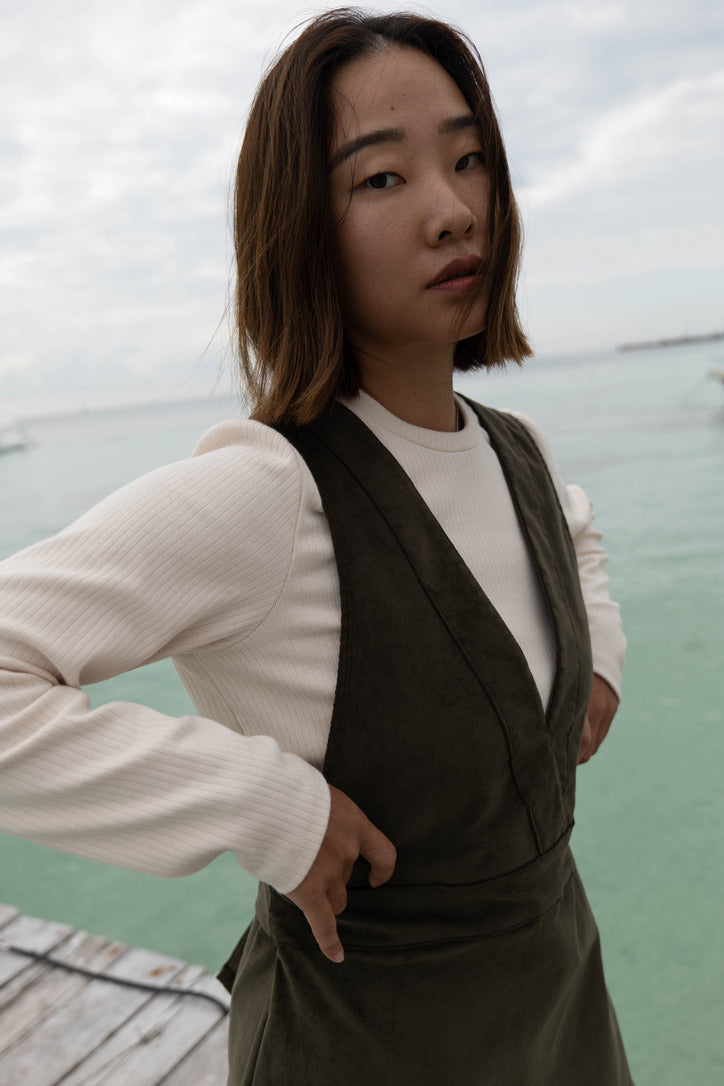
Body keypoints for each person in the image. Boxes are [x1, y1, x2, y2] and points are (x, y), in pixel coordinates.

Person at [0, 9, 633, 1084]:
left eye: (468, 158)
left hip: (560, 1011)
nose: (453, 209)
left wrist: (598, 654)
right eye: (381, 178)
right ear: (299, 228)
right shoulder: (268, 493)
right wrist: (260, 802)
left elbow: (573, 534)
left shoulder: (513, 448)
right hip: (362, 1048)